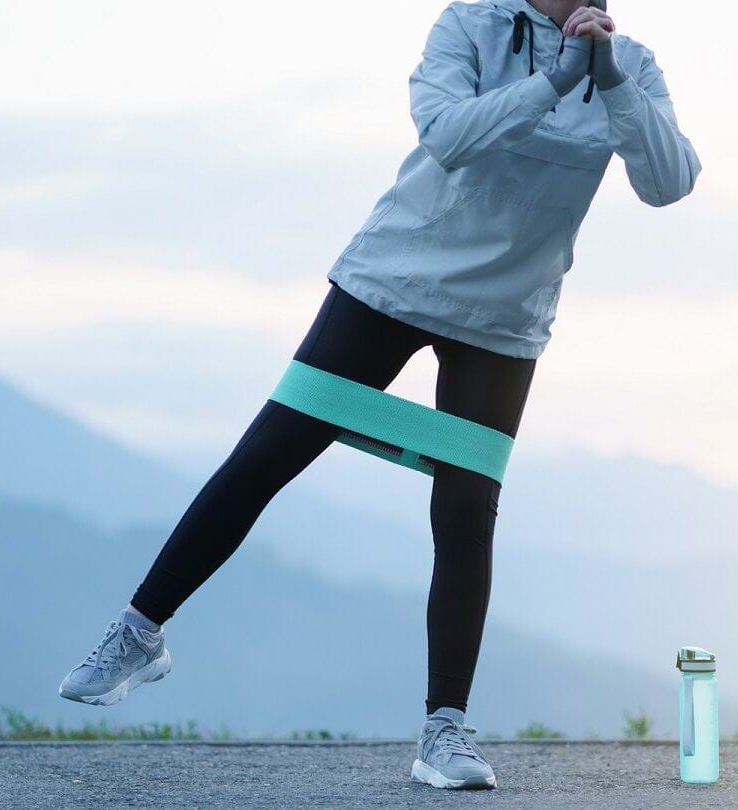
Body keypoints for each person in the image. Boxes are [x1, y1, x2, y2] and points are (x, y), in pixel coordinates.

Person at [58, 0, 699, 790]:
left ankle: (445, 733)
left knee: (466, 514)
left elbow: (670, 183)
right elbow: (446, 136)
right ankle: (140, 633)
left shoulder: (632, 66)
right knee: (269, 455)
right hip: (391, 282)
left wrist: (611, 84)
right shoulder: (469, 25)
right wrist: (552, 82)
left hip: (502, 318)